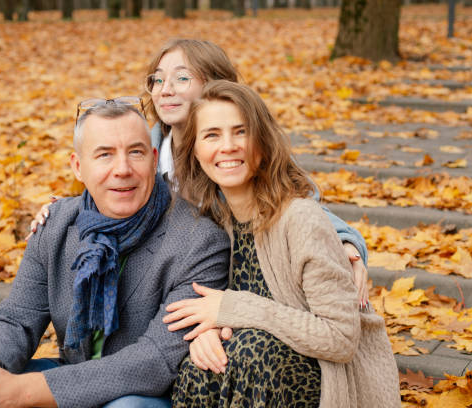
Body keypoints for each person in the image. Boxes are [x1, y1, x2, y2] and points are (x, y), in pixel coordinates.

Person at [30, 38, 370, 307]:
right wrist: (65, 211)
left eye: (181, 78)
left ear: (214, 87)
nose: (165, 89)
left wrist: (346, 243)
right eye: (157, 80)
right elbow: (109, 187)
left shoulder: (231, 156)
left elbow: (297, 202)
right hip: (158, 290)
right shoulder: (141, 148)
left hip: (233, 285)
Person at [0, 100, 230, 408]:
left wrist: (20, 392)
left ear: (154, 159)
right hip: (72, 376)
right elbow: (16, 319)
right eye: (104, 155)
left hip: (148, 395)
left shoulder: (199, 241)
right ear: (78, 166)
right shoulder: (57, 224)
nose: (123, 169)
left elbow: (152, 362)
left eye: (136, 152)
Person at [163, 80, 400, 407]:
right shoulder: (210, 221)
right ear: (195, 150)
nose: (228, 145)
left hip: (320, 376)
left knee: (257, 354)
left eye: (241, 132)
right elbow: (211, 307)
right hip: (251, 369)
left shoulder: (301, 219)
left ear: (263, 142)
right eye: (212, 135)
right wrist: (207, 331)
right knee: (199, 367)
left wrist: (236, 308)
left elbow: (341, 339)